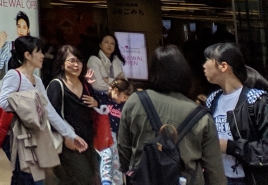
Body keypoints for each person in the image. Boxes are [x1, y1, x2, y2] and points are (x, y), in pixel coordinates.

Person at [118, 45, 223, 185]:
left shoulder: (135, 102)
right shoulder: (201, 116)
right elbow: (214, 171)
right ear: (184, 73)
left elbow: (123, 149)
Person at [0, 35, 87, 185]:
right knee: (31, 177)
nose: (42, 56)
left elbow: (49, 110)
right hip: (17, 137)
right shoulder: (14, 76)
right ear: (27, 55)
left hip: (32, 137)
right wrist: (29, 104)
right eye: (38, 52)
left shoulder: (37, 80)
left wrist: (70, 134)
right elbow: (3, 102)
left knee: (24, 178)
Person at [203, 41, 268, 185]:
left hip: (250, 179)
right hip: (218, 177)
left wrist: (230, 147)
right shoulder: (212, 100)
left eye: (208, 60)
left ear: (224, 66)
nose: (204, 65)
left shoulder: (256, 101)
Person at [46, 44, 106, 185]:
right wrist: (67, 137)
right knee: (83, 177)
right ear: (62, 64)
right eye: (71, 61)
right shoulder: (57, 85)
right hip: (68, 143)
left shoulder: (85, 85)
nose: (76, 65)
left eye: (79, 61)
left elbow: (103, 102)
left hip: (88, 141)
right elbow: (50, 116)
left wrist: (96, 103)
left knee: (89, 177)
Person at [100, 77, 133, 185]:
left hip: (117, 136)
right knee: (107, 155)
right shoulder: (103, 97)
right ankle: (106, 180)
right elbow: (90, 94)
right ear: (116, 91)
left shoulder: (124, 106)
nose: (124, 100)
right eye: (124, 97)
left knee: (117, 160)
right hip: (103, 134)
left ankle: (117, 183)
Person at [0, 10, 31, 80]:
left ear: (28, 30)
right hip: (11, 88)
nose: (21, 31)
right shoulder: (9, 46)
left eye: (24, 27)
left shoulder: (32, 48)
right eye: (19, 26)